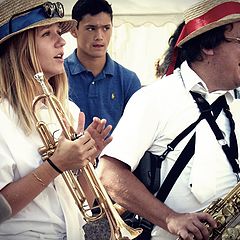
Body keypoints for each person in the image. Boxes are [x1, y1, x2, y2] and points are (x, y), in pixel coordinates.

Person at [97, 0, 240, 239]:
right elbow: (109, 172)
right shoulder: (155, 98)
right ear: (208, 45)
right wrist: (171, 219)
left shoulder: (234, 102)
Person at [0, 0, 112, 239]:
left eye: (59, 33)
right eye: (47, 34)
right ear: (21, 47)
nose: (61, 41)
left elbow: (84, 205)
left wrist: (86, 161)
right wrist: (55, 165)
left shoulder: (67, 109)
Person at [64, 0, 141, 132]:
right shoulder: (57, 75)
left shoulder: (128, 80)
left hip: (116, 152)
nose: (99, 36)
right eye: (91, 28)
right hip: (68, 152)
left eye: (106, 28)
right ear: (74, 31)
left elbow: (136, 131)